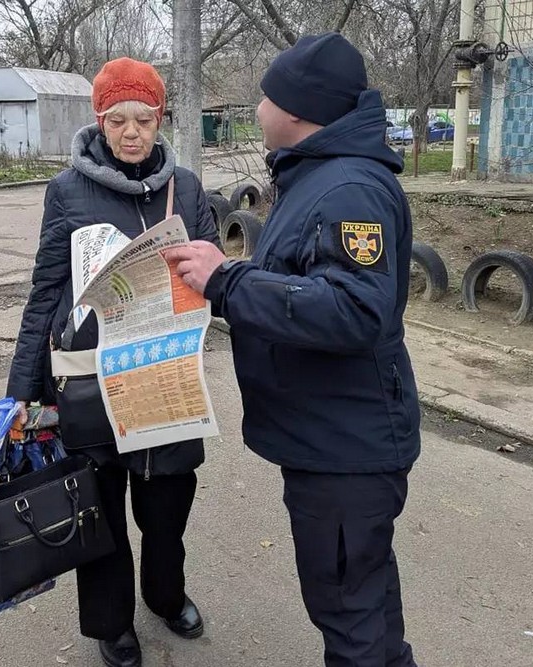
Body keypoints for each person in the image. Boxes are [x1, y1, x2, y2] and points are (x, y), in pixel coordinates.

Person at [163, 33, 421, 667]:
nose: (257, 107)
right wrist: (236, 276)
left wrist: (228, 280)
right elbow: (308, 278)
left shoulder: (348, 190)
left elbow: (354, 310)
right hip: (332, 437)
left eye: (265, 95)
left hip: (345, 451)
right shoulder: (319, 176)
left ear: (299, 110)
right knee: (366, 600)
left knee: (349, 614)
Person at [6, 57, 221, 667]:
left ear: (160, 120)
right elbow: (47, 290)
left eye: (144, 120)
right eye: (118, 120)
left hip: (164, 373)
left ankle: (165, 595)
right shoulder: (67, 191)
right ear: (99, 121)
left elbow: (210, 275)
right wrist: (24, 388)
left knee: (167, 504)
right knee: (96, 512)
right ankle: (112, 625)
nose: (132, 133)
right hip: (90, 384)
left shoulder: (186, 185)